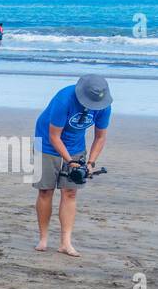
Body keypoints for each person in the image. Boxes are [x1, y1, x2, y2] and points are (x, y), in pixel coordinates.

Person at [32, 75, 112, 257]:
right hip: (44, 142)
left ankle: (65, 243)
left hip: (75, 145)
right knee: (45, 190)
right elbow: (54, 137)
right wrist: (70, 161)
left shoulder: (105, 106)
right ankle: (43, 239)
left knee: (70, 192)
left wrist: (90, 163)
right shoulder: (64, 99)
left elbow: (100, 137)